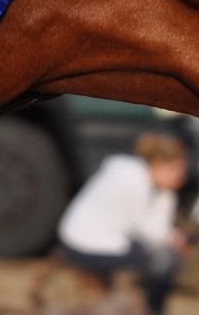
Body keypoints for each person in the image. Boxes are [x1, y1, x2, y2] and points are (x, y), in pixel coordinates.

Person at [56, 132, 190, 314]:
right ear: (157, 163)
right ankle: (151, 309)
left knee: (159, 257)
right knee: (161, 261)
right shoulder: (132, 180)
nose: (180, 177)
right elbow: (146, 231)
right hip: (84, 242)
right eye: (175, 170)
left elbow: (155, 229)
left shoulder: (156, 189)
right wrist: (173, 238)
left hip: (98, 240)